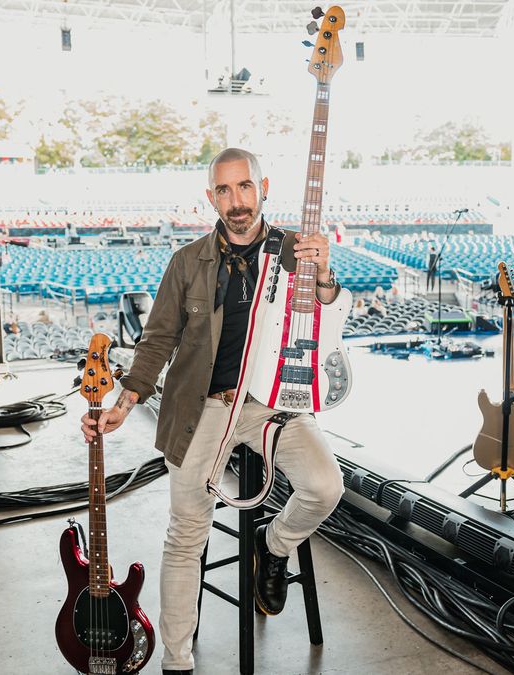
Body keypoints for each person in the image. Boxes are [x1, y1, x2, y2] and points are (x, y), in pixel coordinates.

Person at [81, 148, 344, 675]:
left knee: (324, 487)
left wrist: (323, 278)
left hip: (273, 406)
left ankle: (273, 546)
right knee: (186, 534)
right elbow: (156, 342)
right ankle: (177, 662)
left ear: (263, 188)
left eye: (244, 187)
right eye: (223, 191)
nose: (236, 201)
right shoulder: (187, 261)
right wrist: (124, 402)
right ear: (211, 198)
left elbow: (328, 326)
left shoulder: (299, 251)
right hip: (204, 408)